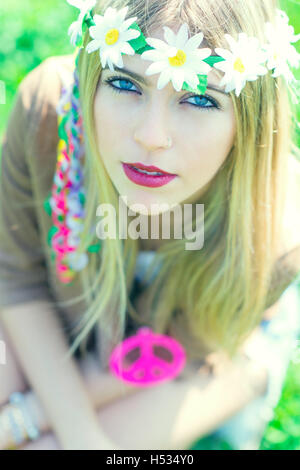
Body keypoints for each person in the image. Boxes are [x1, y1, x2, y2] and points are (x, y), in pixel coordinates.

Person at [0, 0, 300, 450]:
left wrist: (29, 421)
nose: (151, 136)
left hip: (199, 353)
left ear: (249, 122)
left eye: (200, 98)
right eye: (124, 83)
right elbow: (18, 279)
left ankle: (246, 386)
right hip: (64, 308)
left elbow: (177, 349)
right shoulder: (52, 115)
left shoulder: (275, 232)